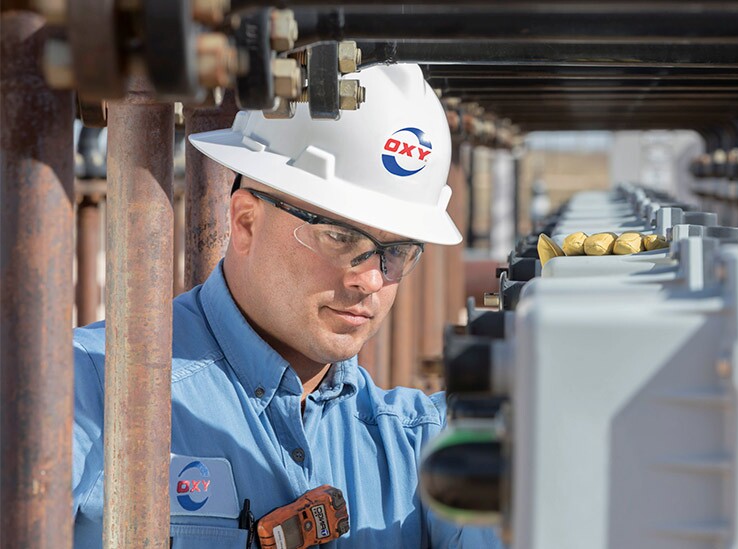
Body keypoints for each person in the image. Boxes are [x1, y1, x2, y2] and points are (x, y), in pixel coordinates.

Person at [72, 64, 504, 548]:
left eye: (397, 252)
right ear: (246, 222)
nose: (370, 280)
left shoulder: (415, 447)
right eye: (340, 238)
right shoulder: (89, 392)